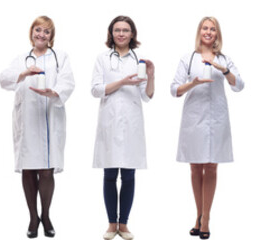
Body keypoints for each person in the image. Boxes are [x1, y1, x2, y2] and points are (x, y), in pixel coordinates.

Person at [0, 15, 74, 239]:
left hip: (49, 115)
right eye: (38, 30)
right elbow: (3, 80)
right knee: (29, 169)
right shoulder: (22, 58)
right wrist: (23, 73)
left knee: (47, 169)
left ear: (52, 36)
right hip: (27, 118)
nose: (41, 34)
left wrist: (54, 92)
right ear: (32, 32)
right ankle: (33, 218)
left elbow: (68, 81)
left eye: (46, 31)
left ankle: (46, 215)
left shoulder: (60, 57)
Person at [170, 16, 243, 240]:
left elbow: (239, 85)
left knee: (211, 167)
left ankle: (206, 219)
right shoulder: (188, 58)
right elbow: (174, 89)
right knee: (195, 168)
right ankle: (199, 214)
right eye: (205, 28)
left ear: (217, 34)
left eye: (212, 29)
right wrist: (193, 83)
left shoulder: (225, 59)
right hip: (194, 119)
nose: (208, 32)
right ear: (199, 32)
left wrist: (223, 70)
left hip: (217, 120)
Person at [91, 15, 155, 240]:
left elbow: (147, 97)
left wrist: (151, 75)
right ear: (111, 33)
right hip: (109, 121)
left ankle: (124, 224)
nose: (121, 34)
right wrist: (122, 82)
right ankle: (111, 224)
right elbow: (96, 89)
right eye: (117, 30)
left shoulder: (139, 61)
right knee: (109, 174)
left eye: (125, 30)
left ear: (132, 34)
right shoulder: (102, 58)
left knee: (128, 175)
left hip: (131, 122)